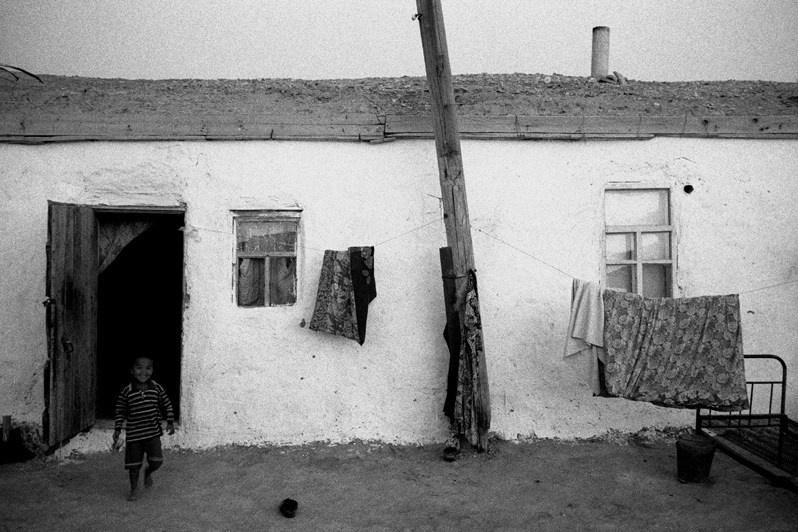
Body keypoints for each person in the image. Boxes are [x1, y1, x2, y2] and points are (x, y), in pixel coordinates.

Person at [112, 355, 175, 501]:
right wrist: (117, 429)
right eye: (139, 367)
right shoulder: (127, 391)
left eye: (148, 368)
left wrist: (170, 422)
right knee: (133, 466)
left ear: (152, 370)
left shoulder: (156, 388)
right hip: (134, 436)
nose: (143, 372)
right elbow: (120, 411)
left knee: (157, 462)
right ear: (132, 370)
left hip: (153, 434)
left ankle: (148, 472)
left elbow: (167, 404)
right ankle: (133, 489)